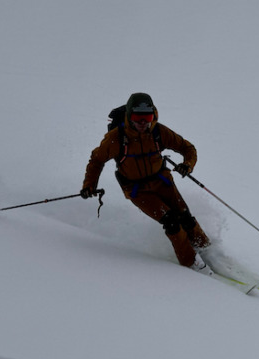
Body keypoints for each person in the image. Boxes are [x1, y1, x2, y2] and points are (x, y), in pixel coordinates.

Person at [80, 92, 211, 268]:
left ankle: (209, 252)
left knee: (185, 217)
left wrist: (187, 165)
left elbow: (188, 148)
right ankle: (192, 263)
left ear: (153, 115)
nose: (143, 123)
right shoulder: (116, 138)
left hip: (162, 181)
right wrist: (89, 185)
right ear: (129, 116)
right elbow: (96, 160)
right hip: (137, 190)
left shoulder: (159, 132)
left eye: (147, 117)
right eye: (137, 118)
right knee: (171, 222)